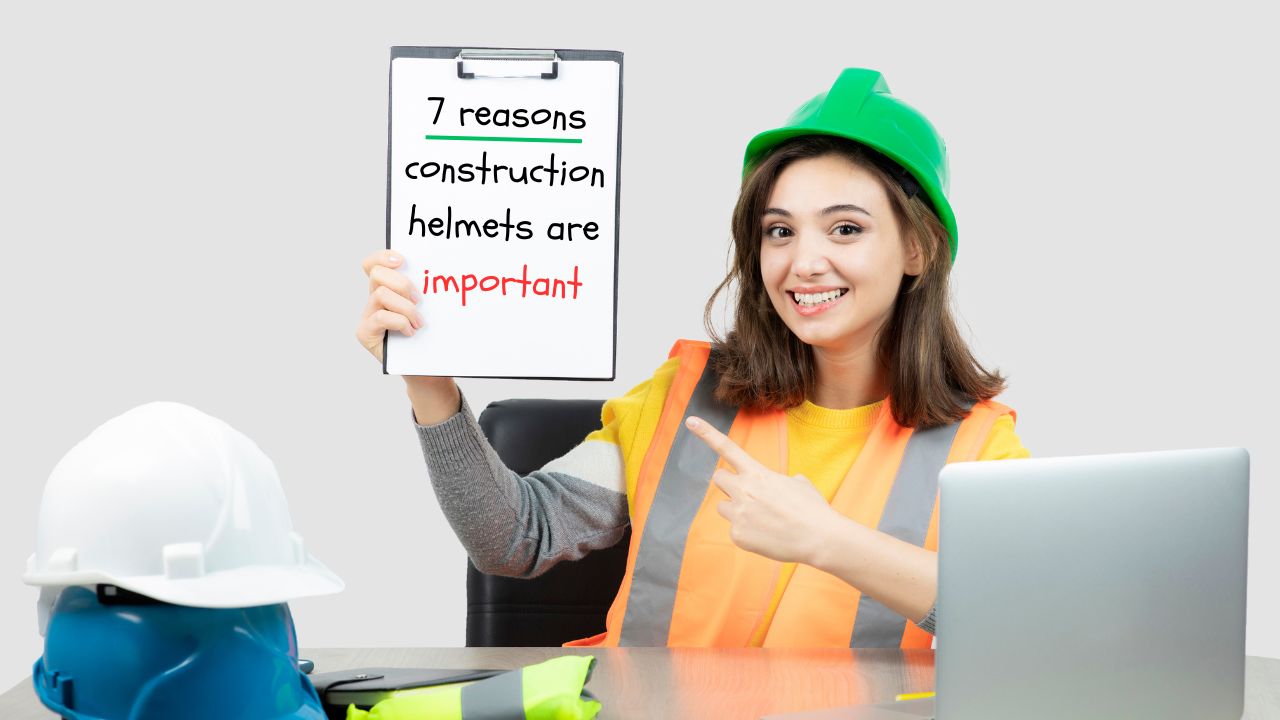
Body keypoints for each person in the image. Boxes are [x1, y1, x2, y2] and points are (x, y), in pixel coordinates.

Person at [354, 68, 1029, 648]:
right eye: (779, 231)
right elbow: (512, 537)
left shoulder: (979, 449)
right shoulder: (687, 398)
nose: (804, 262)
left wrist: (828, 540)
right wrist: (428, 379)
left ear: (918, 250)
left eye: (845, 228)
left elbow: (1023, 624)